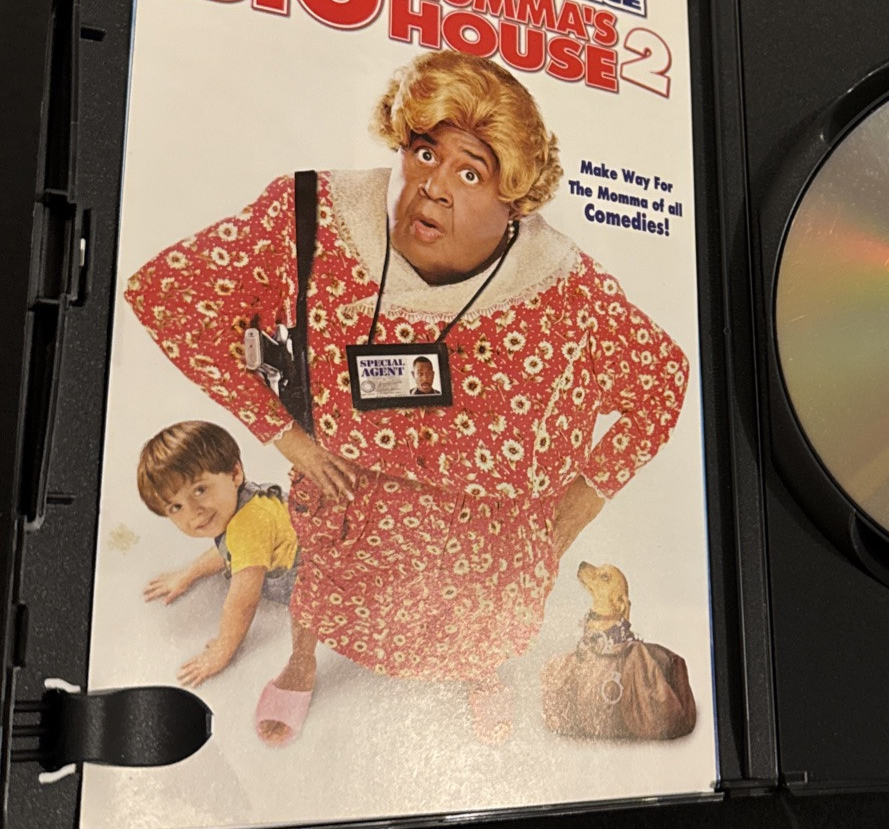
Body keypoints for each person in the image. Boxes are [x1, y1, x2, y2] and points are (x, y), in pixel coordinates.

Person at [124, 50, 689, 746]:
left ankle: (482, 673)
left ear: (514, 199)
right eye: (423, 153)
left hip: (488, 544)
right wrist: (286, 437)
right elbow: (171, 296)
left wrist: (574, 509)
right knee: (319, 591)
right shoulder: (310, 219)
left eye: (471, 172)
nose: (434, 187)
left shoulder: (566, 290)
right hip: (347, 506)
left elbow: (662, 381)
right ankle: (301, 663)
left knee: (486, 626)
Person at [138, 421, 299, 689]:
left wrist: (222, 650)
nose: (194, 511)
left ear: (235, 473)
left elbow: (243, 601)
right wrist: (188, 574)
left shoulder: (248, 526)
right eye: (176, 507)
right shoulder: (243, 506)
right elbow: (231, 551)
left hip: (322, 580)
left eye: (200, 490)